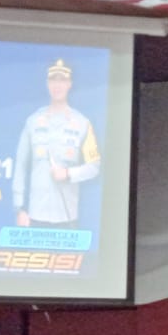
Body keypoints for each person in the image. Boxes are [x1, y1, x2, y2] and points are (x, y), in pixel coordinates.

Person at [11, 58, 101, 228]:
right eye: (53, 80)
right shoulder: (33, 121)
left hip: (67, 217)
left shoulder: (83, 123)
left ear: (70, 84)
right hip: (36, 215)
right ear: (47, 84)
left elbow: (94, 166)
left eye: (62, 80)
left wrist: (68, 173)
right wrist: (19, 208)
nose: (57, 85)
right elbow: (20, 166)